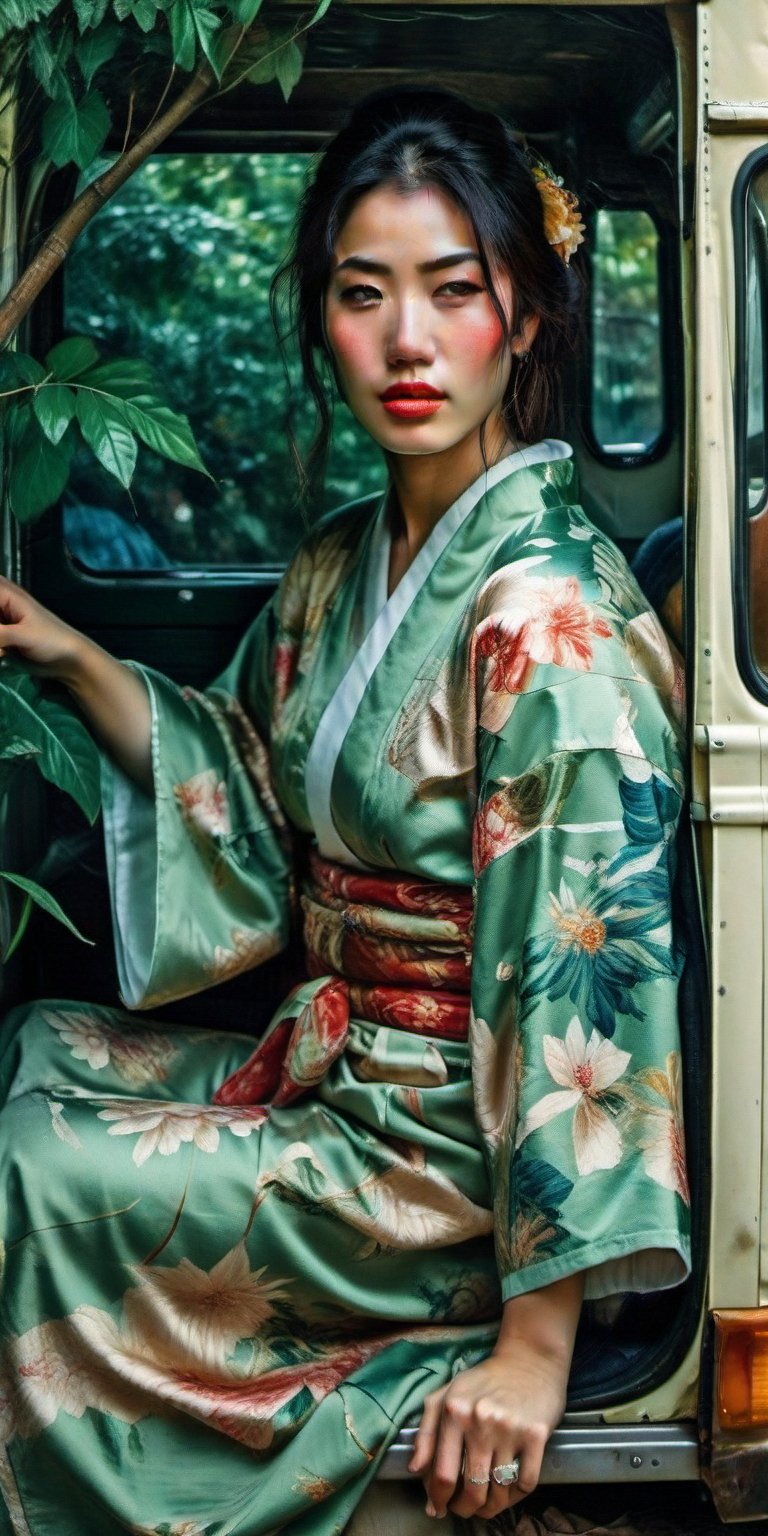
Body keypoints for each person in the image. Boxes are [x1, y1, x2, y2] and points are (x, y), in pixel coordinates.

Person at [0, 90, 690, 1536]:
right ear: (322, 319)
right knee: (37, 1049)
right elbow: (248, 781)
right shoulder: (341, 563)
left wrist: (533, 1345)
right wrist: (68, 654)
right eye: (362, 294)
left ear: (531, 316)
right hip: (334, 1069)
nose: (408, 341)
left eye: (455, 291)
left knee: (29, 1162)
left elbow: (588, 990)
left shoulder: (550, 624)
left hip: (448, 1172)